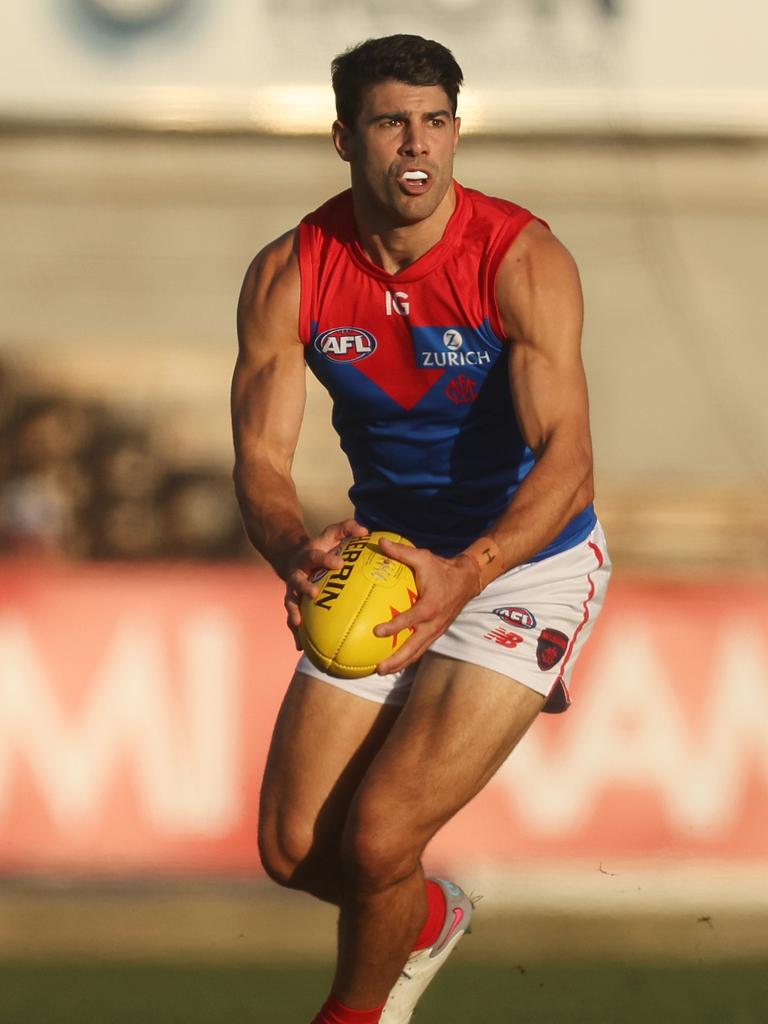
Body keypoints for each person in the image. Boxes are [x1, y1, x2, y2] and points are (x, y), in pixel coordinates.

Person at [232, 33, 610, 1024]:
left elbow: (570, 464)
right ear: (342, 138)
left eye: (436, 121)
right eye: (392, 121)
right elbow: (262, 463)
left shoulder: (519, 258)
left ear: (455, 130)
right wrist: (293, 547)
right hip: (388, 559)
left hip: (523, 562)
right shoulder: (293, 271)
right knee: (294, 852)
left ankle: (355, 1015)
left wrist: (471, 571)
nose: (417, 145)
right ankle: (430, 911)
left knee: (378, 836)